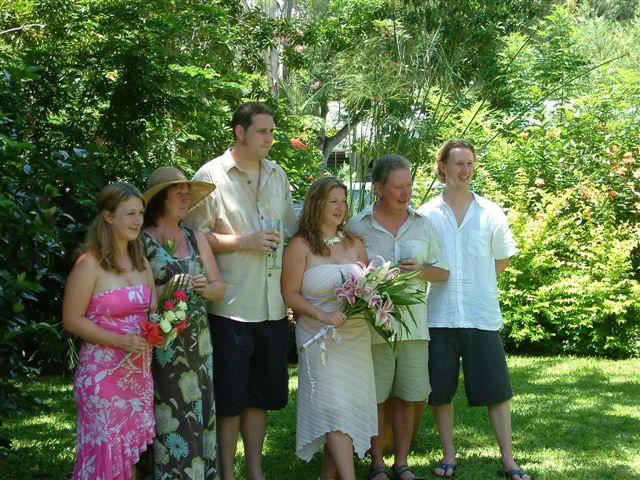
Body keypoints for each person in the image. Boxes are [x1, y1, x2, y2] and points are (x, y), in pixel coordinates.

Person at [186, 101, 297, 480]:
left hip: (272, 307)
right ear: (239, 131)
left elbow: (291, 230)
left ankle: (255, 471)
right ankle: (227, 474)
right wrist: (242, 241)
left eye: (272, 131)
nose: (269, 138)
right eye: (262, 131)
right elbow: (193, 237)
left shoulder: (278, 174)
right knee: (230, 399)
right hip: (230, 307)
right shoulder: (211, 175)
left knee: (260, 398)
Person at [417, 140, 531, 480]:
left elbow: (503, 258)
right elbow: (420, 263)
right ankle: (448, 455)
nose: (465, 170)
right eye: (458, 164)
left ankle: (508, 459)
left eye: (469, 164)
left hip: (481, 315)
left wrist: (477, 281)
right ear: (443, 167)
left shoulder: (490, 212)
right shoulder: (426, 214)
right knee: (441, 392)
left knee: (497, 391)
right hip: (438, 315)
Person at [347, 154, 449, 480]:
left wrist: (421, 270)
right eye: (398, 187)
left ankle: (401, 462)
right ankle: (377, 463)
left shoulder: (423, 224)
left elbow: (443, 272)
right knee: (375, 398)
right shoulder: (357, 226)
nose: (406, 193)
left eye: (409, 186)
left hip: (413, 327)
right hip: (373, 327)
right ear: (378, 188)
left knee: (409, 395)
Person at [281, 176, 377, 480]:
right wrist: (321, 315)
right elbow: (289, 294)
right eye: (333, 201)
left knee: (347, 405)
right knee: (333, 407)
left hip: (354, 336)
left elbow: (370, 285)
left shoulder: (354, 244)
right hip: (318, 337)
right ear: (317, 204)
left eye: (343, 201)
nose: (340, 207)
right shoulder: (300, 246)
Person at [62, 182, 156, 480]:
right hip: (102, 378)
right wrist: (119, 340)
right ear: (108, 216)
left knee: (126, 460)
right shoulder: (89, 264)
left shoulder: (142, 263)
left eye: (140, 213)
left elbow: (152, 314)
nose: (138, 221)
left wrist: (163, 327)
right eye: (130, 214)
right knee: (106, 455)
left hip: (138, 377)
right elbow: (71, 320)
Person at [140, 166, 224, 479]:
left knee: (198, 409)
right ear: (160, 199)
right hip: (163, 343)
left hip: (198, 344)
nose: (186, 198)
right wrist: (170, 288)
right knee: (168, 411)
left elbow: (218, 289)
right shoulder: (141, 240)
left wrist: (202, 287)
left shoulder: (194, 236)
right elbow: (137, 293)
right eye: (179, 193)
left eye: (188, 193)